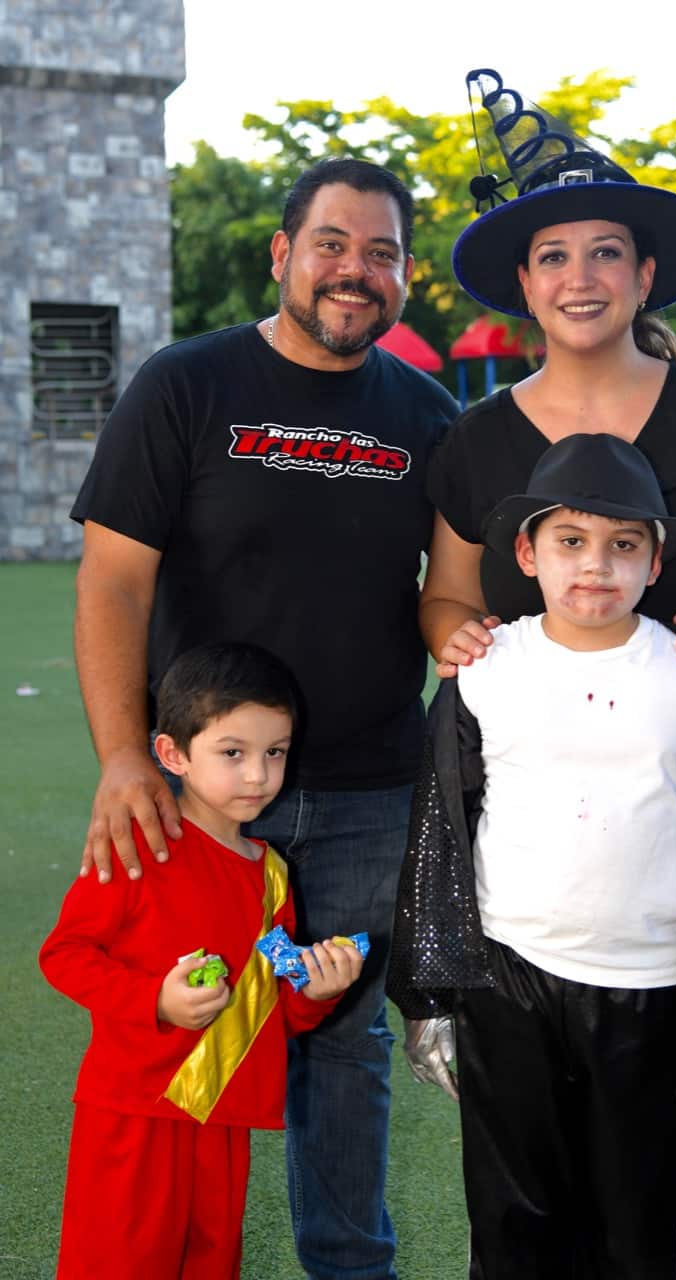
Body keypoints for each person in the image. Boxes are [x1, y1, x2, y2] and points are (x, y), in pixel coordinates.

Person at [414, 69, 676, 1277]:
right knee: (533, 1121)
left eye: (607, 251)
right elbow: (447, 593)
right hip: (535, 821)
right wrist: (450, 635)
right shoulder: (475, 440)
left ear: (645, 275)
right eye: (553, 254)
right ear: (523, 283)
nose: (580, 276)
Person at [70, 157, 458, 1280]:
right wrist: (119, 758)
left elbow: (456, 591)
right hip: (197, 794)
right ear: (283, 253)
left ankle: (350, 1266)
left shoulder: (428, 416)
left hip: (365, 785)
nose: (355, 270)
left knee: (340, 1040)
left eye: (380, 252)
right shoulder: (185, 383)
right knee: (180, 1017)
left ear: (403, 279)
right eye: (332, 243)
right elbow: (111, 583)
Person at [388, 433, 676, 1279]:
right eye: (569, 541)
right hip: (510, 980)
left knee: (642, 1225)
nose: (595, 566)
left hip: (653, 987)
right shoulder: (481, 671)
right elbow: (439, 832)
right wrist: (430, 995)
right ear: (525, 552)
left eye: (623, 545)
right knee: (516, 1223)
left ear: (655, 563)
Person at [41, 641, 364, 1279]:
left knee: (210, 1265)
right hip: (135, 1112)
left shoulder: (271, 875)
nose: (258, 776)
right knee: (119, 1265)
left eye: (275, 753)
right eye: (233, 753)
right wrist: (154, 1000)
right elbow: (65, 955)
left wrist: (316, 991)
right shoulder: (138, 847)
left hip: (223, 1115)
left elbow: (272, 1006)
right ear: (173, 755)